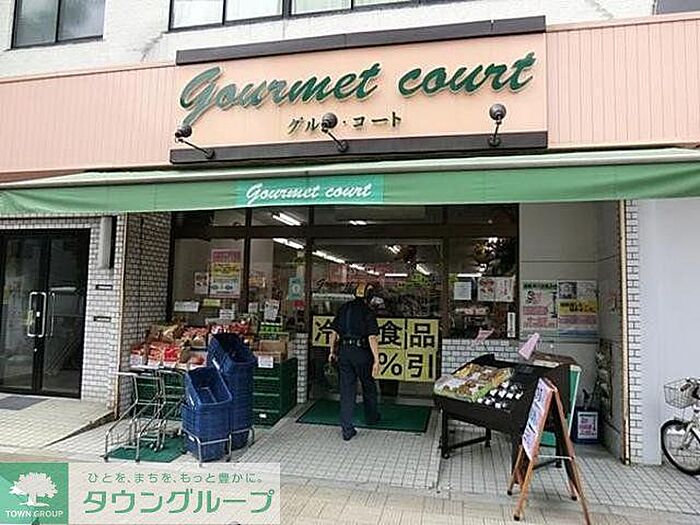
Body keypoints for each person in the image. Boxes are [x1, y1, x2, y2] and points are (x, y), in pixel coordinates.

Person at [328, 283, 381, 441]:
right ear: (369, 297)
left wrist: (331, 351)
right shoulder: (368, 312)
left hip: (344, 352)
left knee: (347, 390)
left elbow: (333, 332)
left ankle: (347, 429)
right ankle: (371, 417)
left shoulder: (344, 308)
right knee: (368, 385)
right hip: (362, 353)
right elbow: (372, 337)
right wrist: (377, 360)